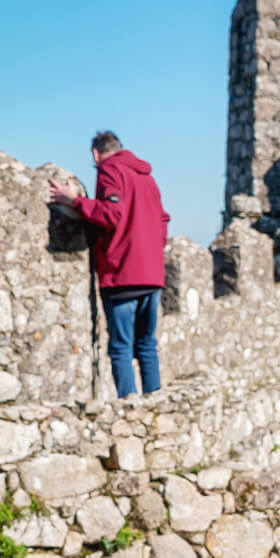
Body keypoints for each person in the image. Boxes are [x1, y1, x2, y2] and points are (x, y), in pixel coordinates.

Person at [48, 130, 169, 399]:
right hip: (153, 277)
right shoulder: (147, 178)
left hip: (123, 276)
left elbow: (113, 213)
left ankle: (130, 410)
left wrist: (75, 201)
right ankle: (157, 404)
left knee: (121, 348)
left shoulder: (110, 170)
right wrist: (149, 253)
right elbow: (162, 220)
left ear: (96, 154)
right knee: (147, 345)